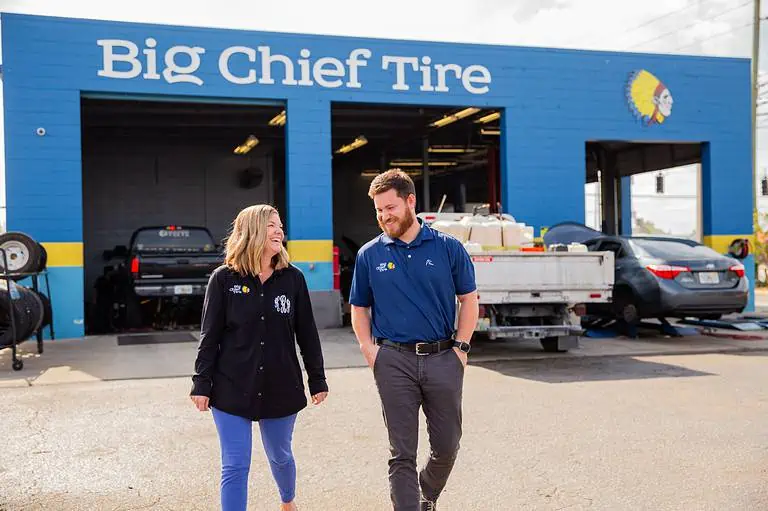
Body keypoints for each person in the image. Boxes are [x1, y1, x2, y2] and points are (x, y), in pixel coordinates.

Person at [349, 170, 479, 511]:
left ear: (410, 201)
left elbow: (470, 299)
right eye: (378, 210)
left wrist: (461, 349)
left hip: (443, 358)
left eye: (390, 207)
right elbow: (359, 307)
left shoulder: (448, 248)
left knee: (447, 447)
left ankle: (425, 496)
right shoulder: (369, 254)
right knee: (401, 453)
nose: (384, 216)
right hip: (393, 360)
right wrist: (369, 349)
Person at [190, 204, 329, 511]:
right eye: (271, 226)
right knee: (235, 464)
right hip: (231, 386)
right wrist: (201, 383)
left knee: (280, 455)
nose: (279, 231)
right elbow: (209, 336)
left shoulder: (293, 280)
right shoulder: (223, 280)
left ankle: (287, 500)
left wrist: (317, 378)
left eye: (280, 226)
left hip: (281, 384)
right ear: (251, 231)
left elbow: (307, 333)